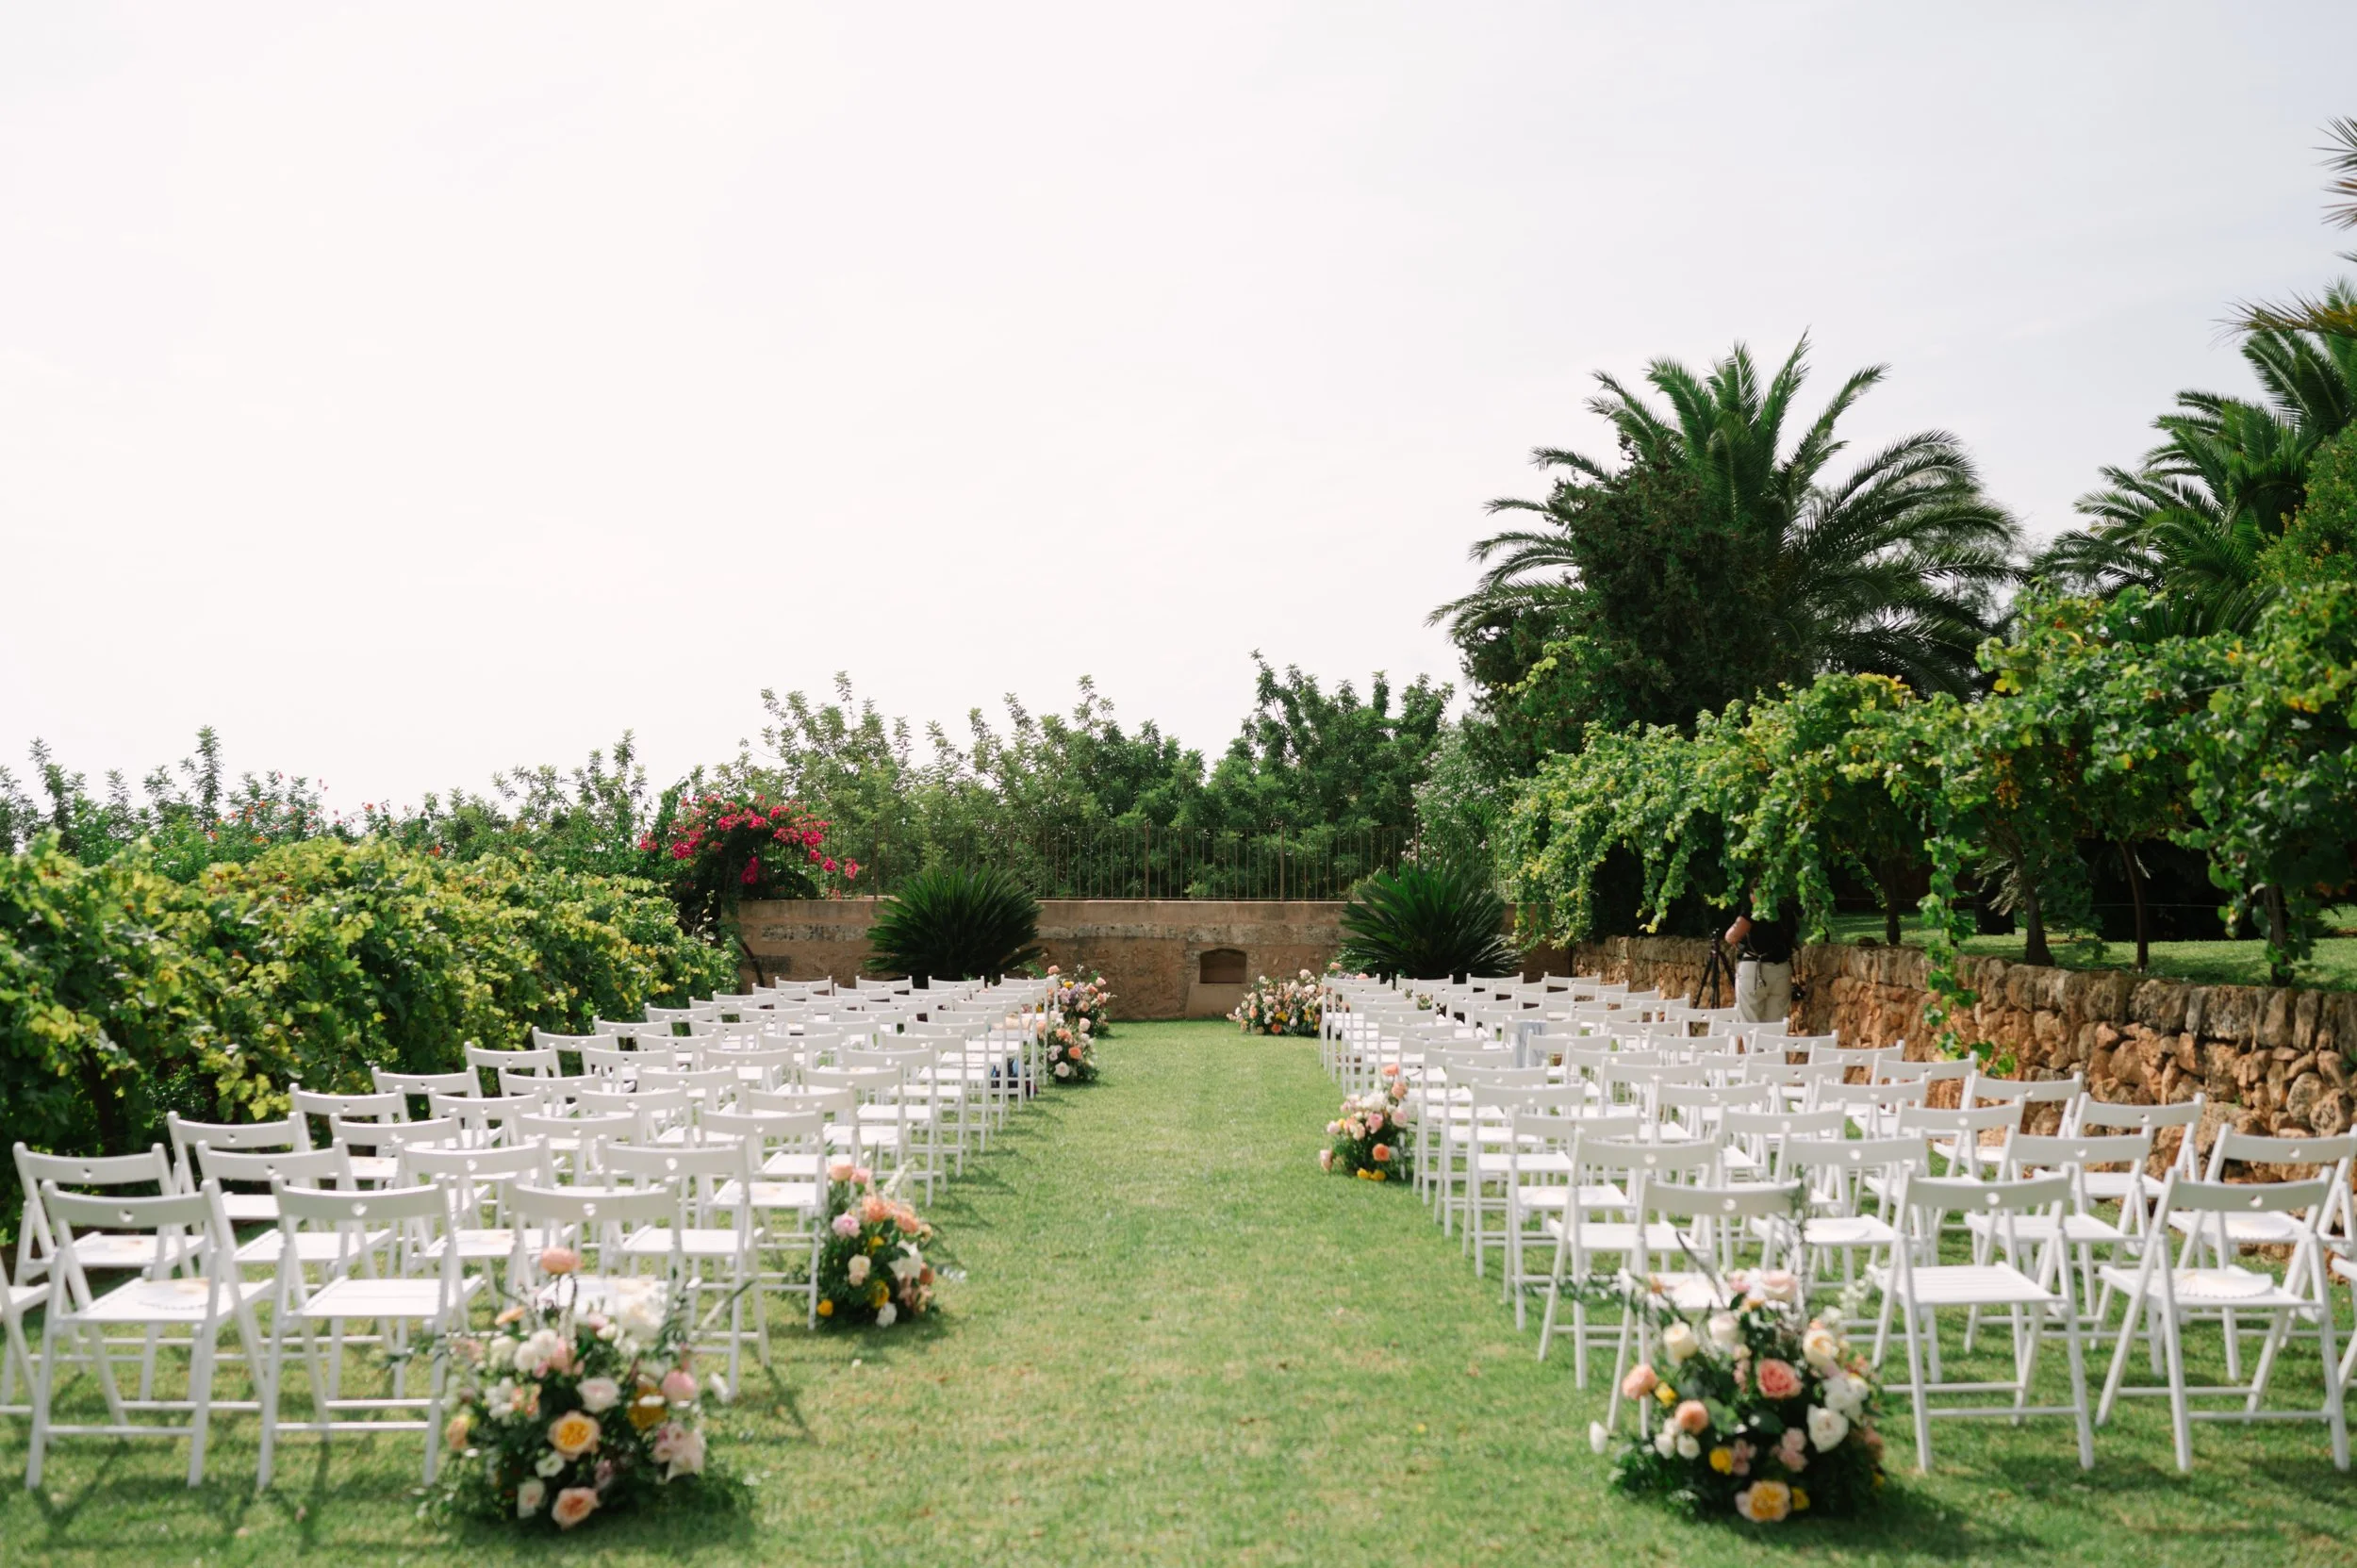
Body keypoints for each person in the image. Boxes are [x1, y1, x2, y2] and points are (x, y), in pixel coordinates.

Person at [1722, 898, 1796, 1025]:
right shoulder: (1785, 909)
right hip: (1782, 968)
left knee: (1750, 1022)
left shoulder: (1754, 910)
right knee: (1776, 1024)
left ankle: (1754, 1046)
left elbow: (1732, 936)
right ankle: (1773, 1045)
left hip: (1755, 969)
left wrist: (1739, 945)